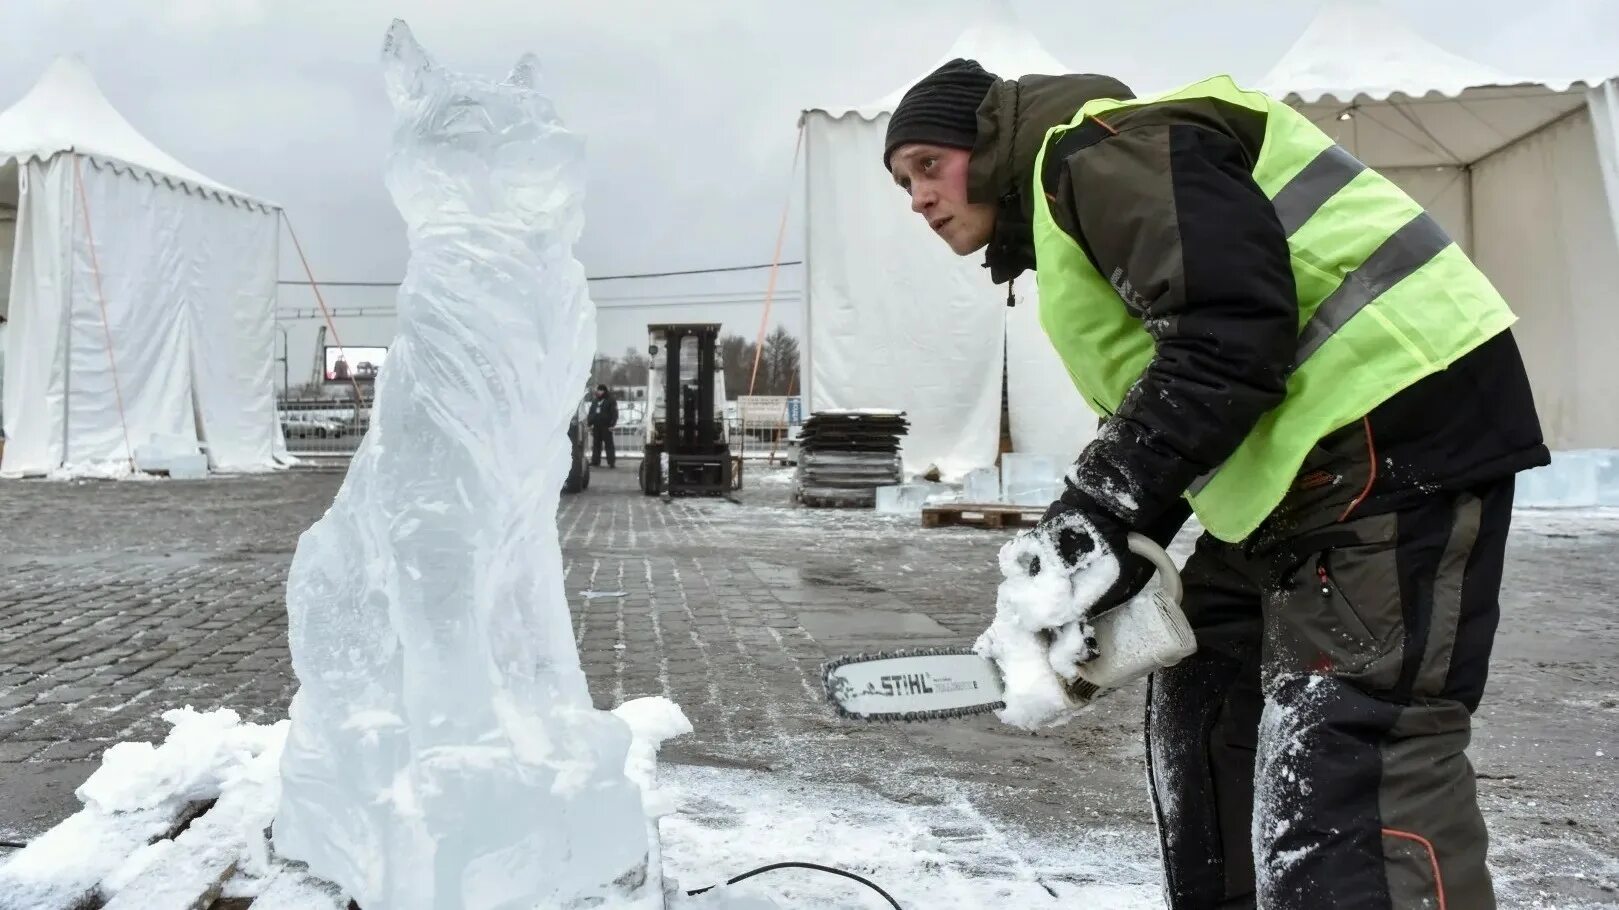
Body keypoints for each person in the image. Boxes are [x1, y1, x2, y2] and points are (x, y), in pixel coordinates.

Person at [883, 58, 1548, 909]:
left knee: (1350, 755)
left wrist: (1098, 509)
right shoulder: (1068, 211)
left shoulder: (1102, 152)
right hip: (1295, 466)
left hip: (1389, 427)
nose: (918, 199)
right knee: (1205, 690)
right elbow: (1177, 386)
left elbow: (1230, 331)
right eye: (904, 184)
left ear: (988, 140)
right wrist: (1110, 546)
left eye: (928, 166)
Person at [588, 384, 618, 468]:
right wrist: (589, 423)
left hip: (606, 426)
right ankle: (595, 461)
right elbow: (591, 412)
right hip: (596, 426)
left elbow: (614, 413)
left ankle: (611, 462)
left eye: (599, 390)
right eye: (597, 390)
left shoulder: (611, 400)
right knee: (596, 444)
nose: (598, 392)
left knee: (609, 444)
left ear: (603, 391)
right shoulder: (595, 401)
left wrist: (612, 424)